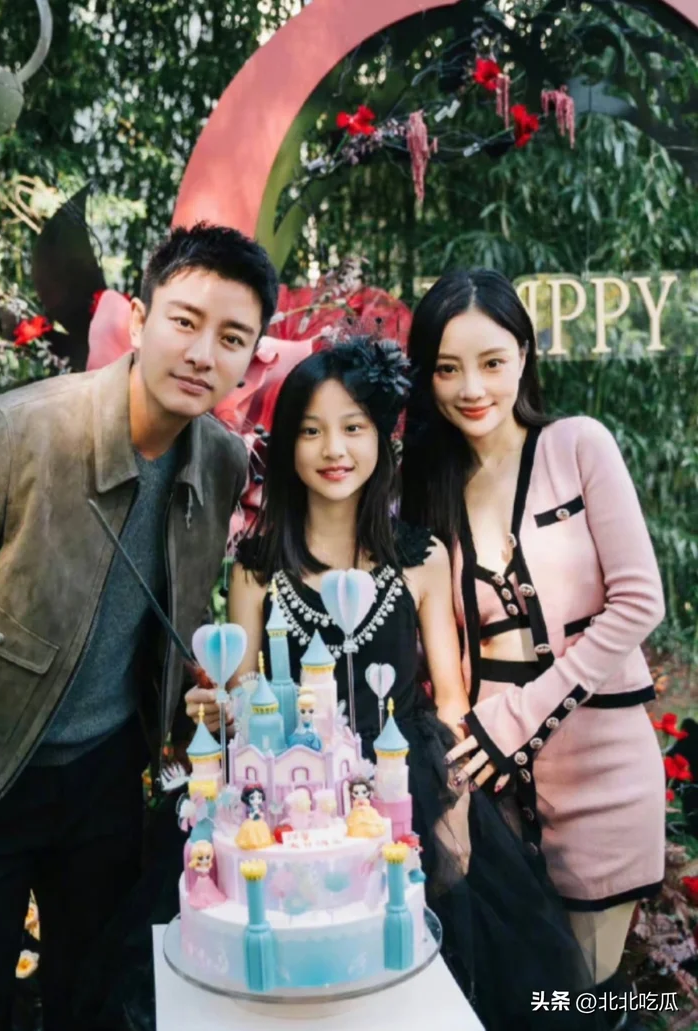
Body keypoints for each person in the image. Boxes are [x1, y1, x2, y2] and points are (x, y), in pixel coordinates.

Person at [0, 222, 279, 1031]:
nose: (201, 353)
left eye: (231, 337)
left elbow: (178, 602)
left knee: (94, 1003)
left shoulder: (219, 459)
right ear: (138, 320)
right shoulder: (14, 435)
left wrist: (189, 700)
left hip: (103, 783)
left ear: (251, 357)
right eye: (184, 321)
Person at [190, 338, 601, 1030]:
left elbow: (452, 698)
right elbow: (244, 699)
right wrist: (214, 710)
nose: (334, 449)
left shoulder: (422, 557)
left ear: (382, 439)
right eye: (311, 431)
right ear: (287, 447)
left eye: (353, 427)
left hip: (406, 778)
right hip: (296, 795)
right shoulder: (256, 569)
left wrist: (457, 809)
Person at [401, 268, 666, 1021]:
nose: (471, 388)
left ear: (524, 354)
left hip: (602, 772)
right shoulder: (429, 484)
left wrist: (515, 720)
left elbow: (639, 601)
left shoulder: (578, 445)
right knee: (517, 996)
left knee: (578, 997)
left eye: (491, 361)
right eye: (447, 369)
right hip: (491, 785)